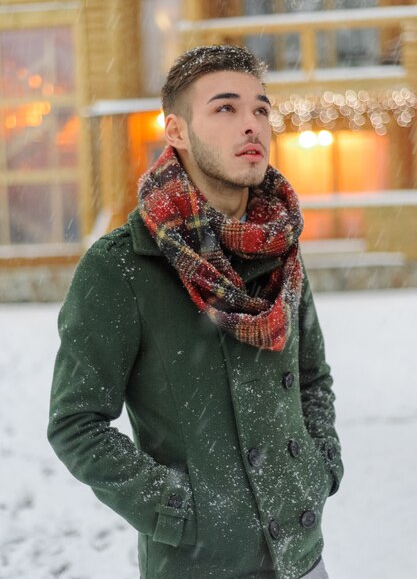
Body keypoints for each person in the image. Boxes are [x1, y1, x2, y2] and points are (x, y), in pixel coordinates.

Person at [48, 45, 343, 579]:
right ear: (176, 131)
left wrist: (318, 469)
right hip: (201, 565)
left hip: (302, 556)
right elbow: (76, 422)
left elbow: (311, 377)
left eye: (260, 109)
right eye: (225, 109)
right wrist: (179, 510)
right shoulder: (122, 267)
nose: (251, 125)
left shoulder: (279, 246)